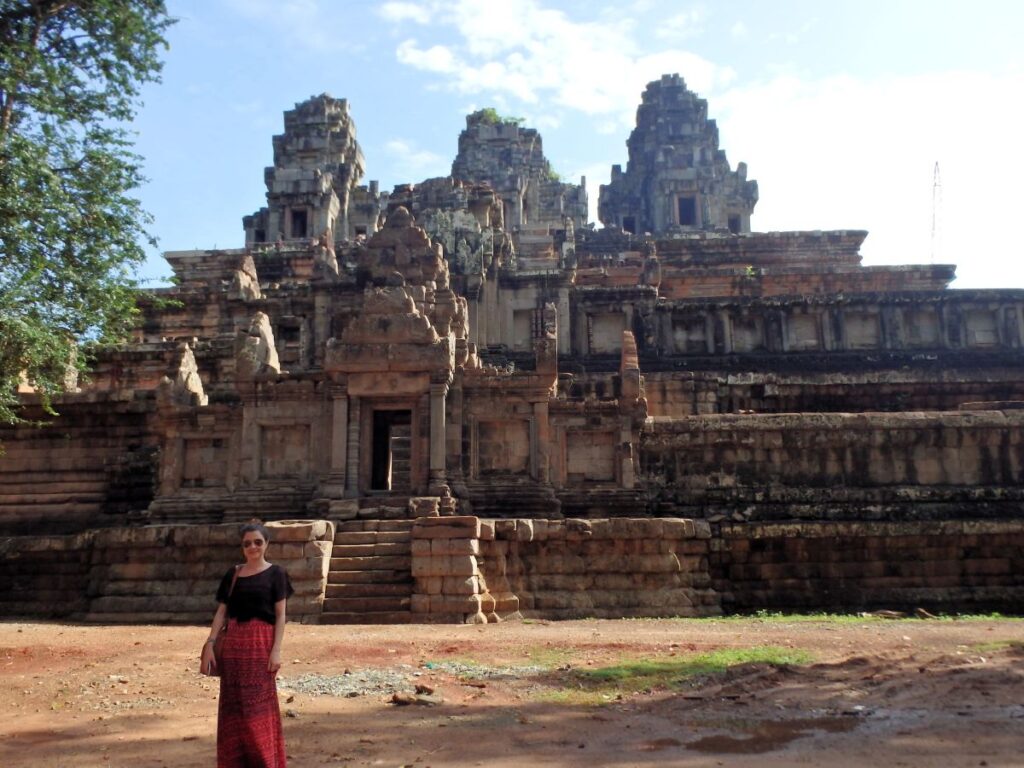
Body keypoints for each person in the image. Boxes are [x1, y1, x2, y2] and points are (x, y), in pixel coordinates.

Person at [201, 520, 294, 767]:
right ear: (242, 547)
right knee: (234, 706)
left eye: (257, 542)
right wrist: (210, 643)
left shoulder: (277, 574)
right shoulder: (233, 574)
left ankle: (264, 760)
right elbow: (222, 612)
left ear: (266, 544)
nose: (252, 547)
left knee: (258, 707)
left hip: (261, 645)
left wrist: (276, 651)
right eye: (247, 543)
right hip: (233, 646)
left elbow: (281, 615)